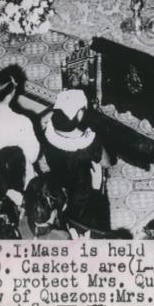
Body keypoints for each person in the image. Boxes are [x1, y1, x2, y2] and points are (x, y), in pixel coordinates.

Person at [39, 89, 112, 235]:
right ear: (79, 114)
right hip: (82, 192)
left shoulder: (47, 129)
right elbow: (107, 163)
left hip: (58, 180)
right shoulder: (87, 142)